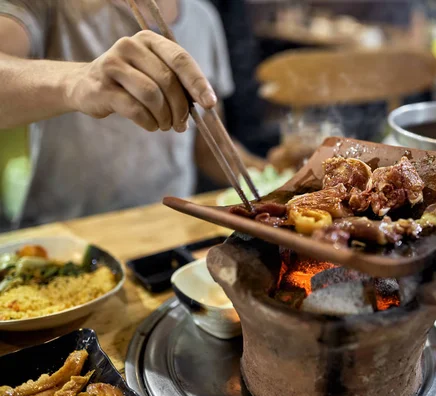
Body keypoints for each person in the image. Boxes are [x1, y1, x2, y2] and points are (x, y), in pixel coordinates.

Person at [0, 0, 265, 228]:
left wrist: (275, 174)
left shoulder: (202, 17)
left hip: (168, 235)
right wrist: (76, 80)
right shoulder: (54, 7)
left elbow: (210, 146)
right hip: (61, 237)